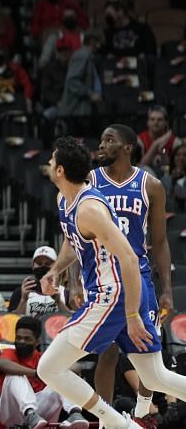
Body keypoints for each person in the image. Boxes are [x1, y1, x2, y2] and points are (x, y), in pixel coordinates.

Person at [37, 136, 186, 429]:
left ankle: (122, 425)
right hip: (123, 293)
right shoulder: (65, 200)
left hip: (114, 296)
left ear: (61, 171)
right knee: (155, 376)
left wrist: (131, 316)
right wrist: (56, 270)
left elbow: (130, 259)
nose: (49, 162)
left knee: (49, 368)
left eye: (53, 159)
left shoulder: (89, 209)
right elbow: (73, 242)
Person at [86, 124, 174, 418]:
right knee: (107, 352)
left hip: (139, 280)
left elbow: (159, 243)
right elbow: (73, 235)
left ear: (127, 147)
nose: (101, 145)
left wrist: (167, 289)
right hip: (104, 280)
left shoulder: (151, 186)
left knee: (149, 358)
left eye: (108, 140)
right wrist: (72, 281)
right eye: (101, 139)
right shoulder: (90, 181)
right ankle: (105, 420)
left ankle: (142, 412)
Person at [0, 316, 88, 429]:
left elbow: (76, 367)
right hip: (11, 414)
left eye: (27, 339)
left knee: (64, 376)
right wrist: (36, 373)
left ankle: (75, 412)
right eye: (18, 338)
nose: (21, 342)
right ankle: (30, 414)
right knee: (15, 376)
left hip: (41, 417)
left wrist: (55, 368)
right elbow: (2, 364)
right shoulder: (9, 353)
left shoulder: (42, 358)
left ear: (36, 342)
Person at [59, 28, 103, 136]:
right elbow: (72, 81)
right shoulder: (82, 55)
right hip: (76, 112)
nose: (100, 44)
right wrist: (90, 94)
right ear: (92, 41)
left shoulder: (88, 56)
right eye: (98, 41)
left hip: (83, 112)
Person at [8, 246, 69, 317]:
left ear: (56, 266)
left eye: (48, 264)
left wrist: (59, 302)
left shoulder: (65, 293)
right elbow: (12, 322)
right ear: (32, 266)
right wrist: (23, 300)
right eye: (39, 264)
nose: (43, 267)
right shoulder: (20, 292)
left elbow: (73, 322)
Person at [138, 106, 182, 172]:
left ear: (166, 122)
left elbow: (170, 166)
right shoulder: (140, 139)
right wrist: (155, 144)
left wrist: (163, 151)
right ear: (148, 122)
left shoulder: (175, 141)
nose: (156, 122)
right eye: (152, 119)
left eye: (160, 119)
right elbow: (141, 165)